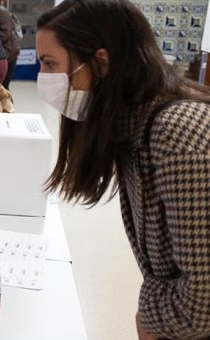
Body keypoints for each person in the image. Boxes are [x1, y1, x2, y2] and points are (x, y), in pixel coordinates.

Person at [36, 1, 210, 339]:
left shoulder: (177, 132)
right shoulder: (133, 127)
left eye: (50, 64)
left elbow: (202, 303)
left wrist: (148, 314)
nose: (45, 79)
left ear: (100, 63)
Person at [0, 0, 19, 89]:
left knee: (3, 87)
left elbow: (6, 33)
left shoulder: (1, 11)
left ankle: (7, 103)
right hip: (4, 53)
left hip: (9, 53)